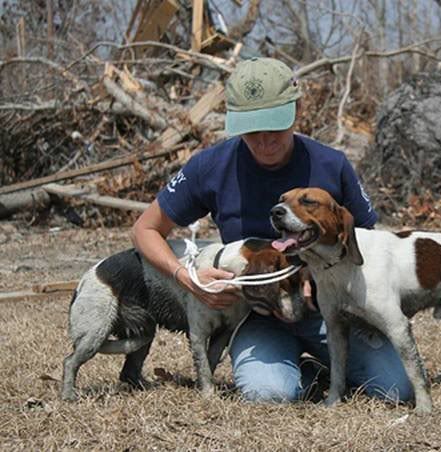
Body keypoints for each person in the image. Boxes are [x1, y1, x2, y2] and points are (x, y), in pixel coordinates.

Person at [132, 57, 413, 403]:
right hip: (255, 312)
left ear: (296, 110)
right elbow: (144, 229)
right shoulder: (211, 166)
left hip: (329, 310)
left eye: (275, 127)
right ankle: (307, 373)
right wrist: (187, 278)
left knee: (395, 388)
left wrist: (320, 274)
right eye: (252, 130)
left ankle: (329, 363)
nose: (264, 141)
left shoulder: (331, 164)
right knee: (268, 394)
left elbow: (369, 242)